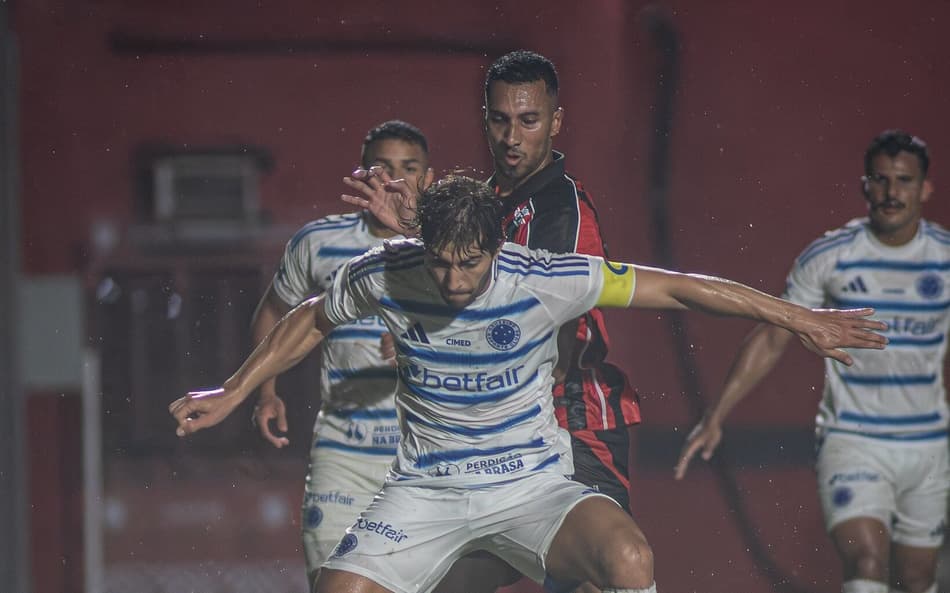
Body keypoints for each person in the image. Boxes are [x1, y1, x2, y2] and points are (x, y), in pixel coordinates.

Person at [172, 175, 887, 593]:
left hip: (532, 489)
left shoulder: (544, 278)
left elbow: (680, 289)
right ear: (422, 244)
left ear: (497, 248)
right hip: (425, 491)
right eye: (442, 263)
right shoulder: (386, 270)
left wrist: (798, 316)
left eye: (470, 264)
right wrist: (233, 391)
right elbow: (311, 317)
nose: (454, 280)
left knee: (631, 557)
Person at [345, 49, 640, 519]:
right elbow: (470, 279)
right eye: (501, 120)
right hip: (501, 421)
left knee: (595, 565)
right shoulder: (491, 203)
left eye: (528, 120)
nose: (512, 137)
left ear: (556, 122)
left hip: (568, 414)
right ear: (485, 121)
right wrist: (418, 229)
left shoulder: (561, 212)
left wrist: (439, 343)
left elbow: (548, 332)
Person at [674, 130, 947, 593]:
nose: (891, 192)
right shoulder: (831, 257)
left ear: (924, 189)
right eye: (880, 180)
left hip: (929, 443)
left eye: (903, 181)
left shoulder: (943, 258)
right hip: (852, 437)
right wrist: (717, 414)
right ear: (865, 186)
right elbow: (772, 336)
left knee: (918, 578)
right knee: (866, 557)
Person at [249, 120, 433, 587]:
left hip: (423, 454)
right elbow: (271, 313)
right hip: (343, 451)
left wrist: (422, 338)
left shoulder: (445, 248)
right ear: (361, 174)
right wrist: (265, 391)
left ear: (427, 179)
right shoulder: (318, 242)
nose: (393, 181)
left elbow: (486, 321)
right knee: (331, 583)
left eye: (407, 169)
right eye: (382, 168)